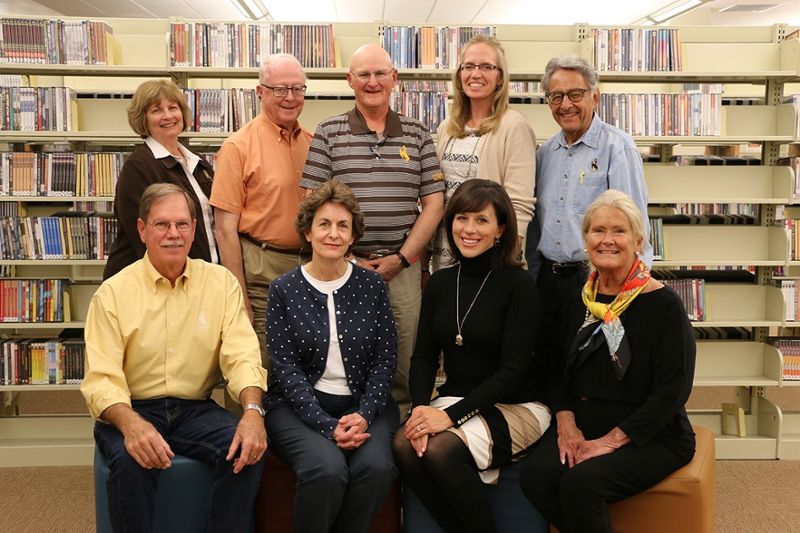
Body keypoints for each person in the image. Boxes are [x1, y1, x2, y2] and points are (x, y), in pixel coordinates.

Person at [82, 183, 267, 533]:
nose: (174, 234)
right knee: (132, 459)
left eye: (182, 224)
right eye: (162, 225)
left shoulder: (221, 284)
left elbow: (242, 355)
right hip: (131, 408)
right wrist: (132, 425)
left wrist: (252, 412)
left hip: (194, 408)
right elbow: (101, 379)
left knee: (246, 451)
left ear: (195, 229)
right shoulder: (113, 293)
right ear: (142, 230)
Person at [519, 189, 696, 533]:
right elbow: (556, 372)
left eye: (619, 231)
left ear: (639, 240)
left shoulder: (664, 306)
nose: (607, 240)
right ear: (585, 240)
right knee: (536, 476)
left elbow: (672, 391)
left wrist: (609, 442)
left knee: (581, 482)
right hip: (586, 423)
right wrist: (567, 425)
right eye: (597, 231)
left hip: (652, 433)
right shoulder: (578, 301)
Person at [393, 179, 550, 533]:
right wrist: (421, 409)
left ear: (501, 229)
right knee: (404, 443)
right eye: (461, 218)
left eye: (481, 220)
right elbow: (422, 357)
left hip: (518, 403)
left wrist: (447, 418)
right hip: (458, 396)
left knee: (439, 450)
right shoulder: (441, 282)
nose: (469, 229)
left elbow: (512, 372)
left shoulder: (519, 285)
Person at [300, 43, 444, 417]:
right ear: (350, 80)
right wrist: (347, 258)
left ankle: (398, 433)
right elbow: (309, 201)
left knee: (403, 357)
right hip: (340, 269)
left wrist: (402, 257)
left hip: (403, 270)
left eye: (381, 73)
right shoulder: (329, 132)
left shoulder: (418, 134)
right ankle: (351, 423)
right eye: (363, 74)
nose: (372, 81)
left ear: (394, 79)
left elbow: (434, 204)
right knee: (343, 353)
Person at [264, 179, 399, 533]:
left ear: (353, 236)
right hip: (296, 407)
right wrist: (328, 426)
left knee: (379, 468)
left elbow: (386, 359)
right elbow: (286, 369)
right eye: (324, 224)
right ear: (307, 232)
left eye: (343, 226)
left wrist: (365, 415)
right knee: (326, 469)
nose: (333, 234)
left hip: (367, 404)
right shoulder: (283, 289)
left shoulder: (372, 285)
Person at [523, 53, 653, 397]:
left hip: (597, 282)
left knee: (593, 374)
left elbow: (636, 225)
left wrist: (633, 294)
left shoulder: (618, 148)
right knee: (549, 368)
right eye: (556, 96)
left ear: (595, 96)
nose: (565, 104)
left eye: (575, 94)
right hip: (548, 283)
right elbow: (536, 226)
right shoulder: (544, 153)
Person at [210, 53, 313, 374]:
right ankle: (252, 425)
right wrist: (238, 292)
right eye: (280, 89)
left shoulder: (313, 143)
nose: (290, 98)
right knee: (260, 362)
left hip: (309, 266)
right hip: (259, 272)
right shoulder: (237, 147)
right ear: (260, 92)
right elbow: (224, 229)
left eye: (298, 89)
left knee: (305, 356)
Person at [430, 34, 536, 271]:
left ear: (500, 77)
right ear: (459, 75)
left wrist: (501, 263)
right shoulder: (447, 128)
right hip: (443, 256)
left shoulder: (514, 126)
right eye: (468, 66)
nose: (475, 74)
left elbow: (519, 205)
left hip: (488, 261)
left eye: (487, 67)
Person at [104, 79, 216, 279]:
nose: (167, 116)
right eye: (156, 110)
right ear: (143, 119)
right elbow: (146, 239)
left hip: (200, 278)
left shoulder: (199, 163)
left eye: (173, 107)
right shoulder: (138, 167)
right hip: (153, 284)